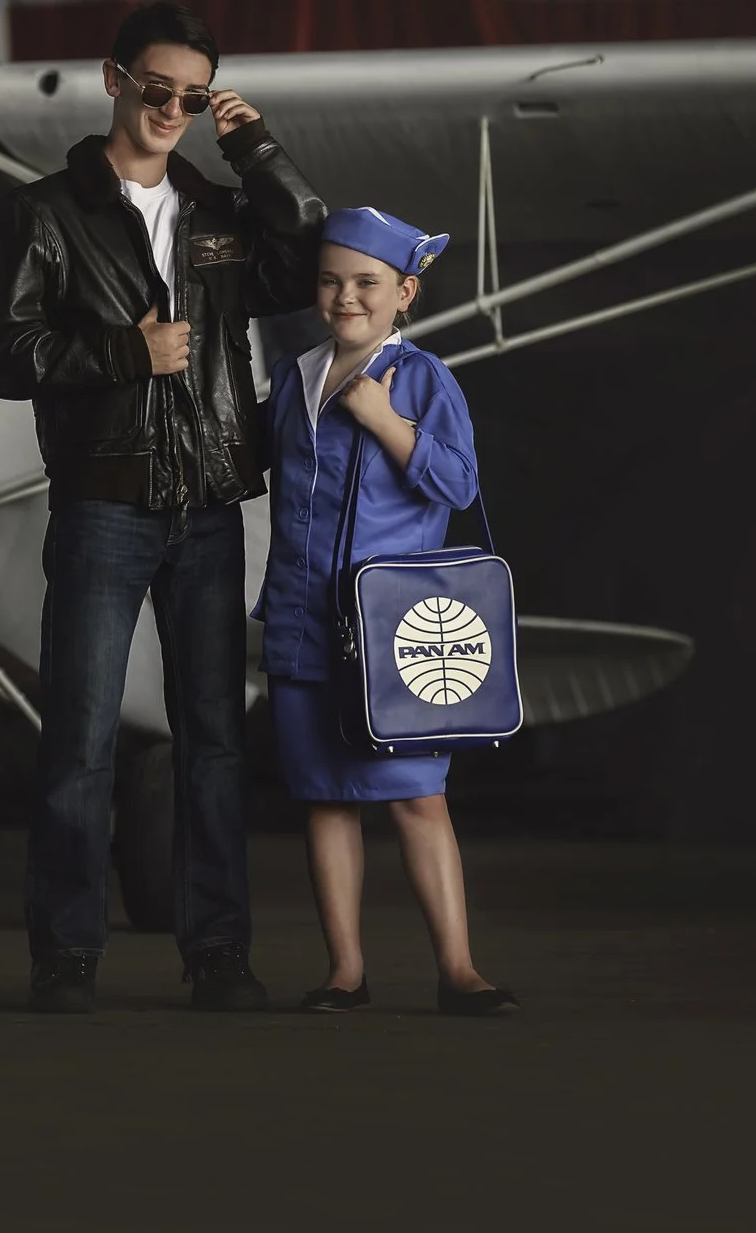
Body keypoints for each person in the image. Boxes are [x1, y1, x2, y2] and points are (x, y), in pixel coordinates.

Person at [0, 1, 325, 1014]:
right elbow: (1, 355)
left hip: (209, 508)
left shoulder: (217, 212)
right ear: (113, 79)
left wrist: (255, 147)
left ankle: (217, 955)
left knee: (214, 742)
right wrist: (127, 353)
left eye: (194, 96)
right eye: (158, 88)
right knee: (76, 740)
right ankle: (66, 958)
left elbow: (304, 257)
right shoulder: (44, 215)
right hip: (104, 507)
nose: (173, 108)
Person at [255, 207, 518, 1018]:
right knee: (325, 797)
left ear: (404, 292)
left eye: (366, 283)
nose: (345, 298)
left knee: (417, 798)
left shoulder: (424, 379)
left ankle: (460, 970)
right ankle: (344, 972)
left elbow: (459, 485)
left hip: (395, 628)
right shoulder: (296, 378)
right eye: (332, 281)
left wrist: (388, 422)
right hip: (303, 617)